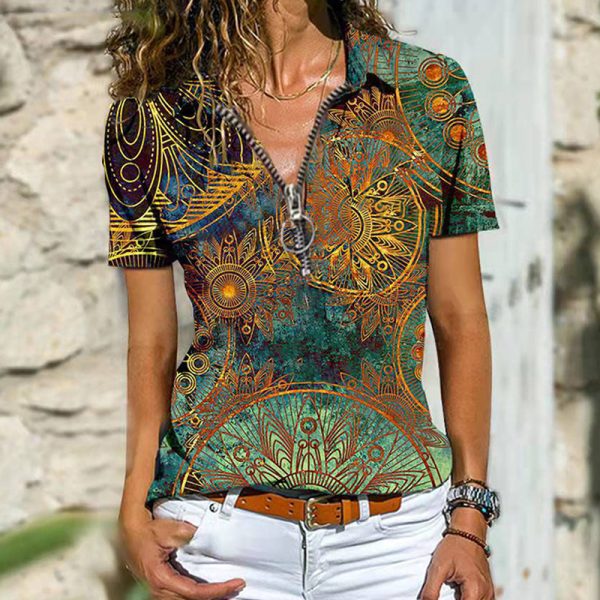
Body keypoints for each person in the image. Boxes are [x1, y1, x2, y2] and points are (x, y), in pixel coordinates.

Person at [102, 1, 502, 599]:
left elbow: (461, 317)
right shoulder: (152, 118)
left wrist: (469, 520)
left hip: (398, 549)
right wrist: (134, 510)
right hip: (218, 539)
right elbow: (151, 340)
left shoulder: (426, 92)